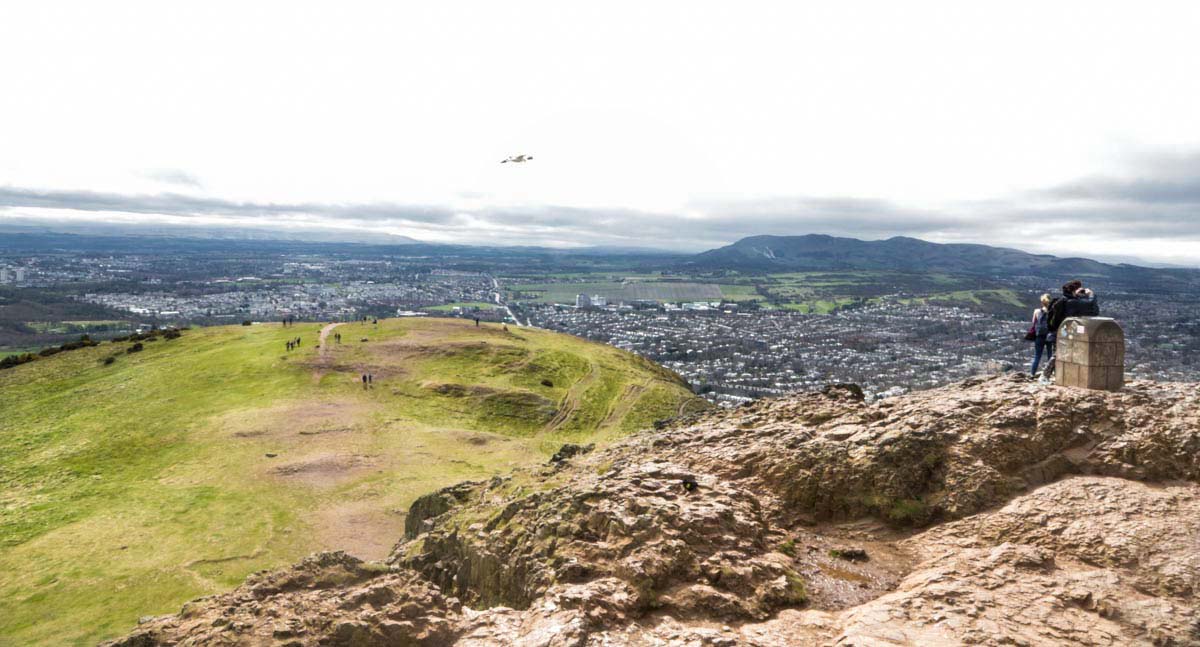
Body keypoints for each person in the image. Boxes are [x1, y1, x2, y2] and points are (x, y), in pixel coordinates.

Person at [1030, 293, 1052, 376]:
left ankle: (1032, 374)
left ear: (1042, 302)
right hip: (1049, 335)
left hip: (1039, 335)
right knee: (1050, 355)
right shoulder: (1052, 311)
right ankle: (1051, 374)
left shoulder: (1037, 311)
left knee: (1037, 356)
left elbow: (1034, 323)